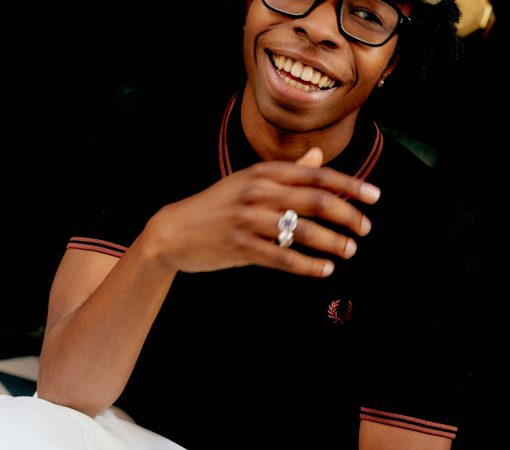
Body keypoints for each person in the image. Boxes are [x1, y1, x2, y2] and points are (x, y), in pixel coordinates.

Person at [1, 1, 480, 449]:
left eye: (365, 14)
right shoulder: (148, 126)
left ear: (392, 63)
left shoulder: (436, 229)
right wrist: (160, 246)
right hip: (116, 430)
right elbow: (67, 390)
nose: (317, 28)